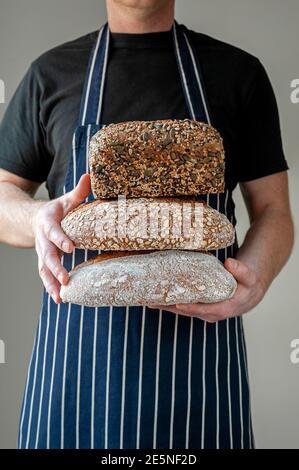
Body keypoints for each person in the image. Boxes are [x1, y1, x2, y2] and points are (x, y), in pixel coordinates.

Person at [0, 0, 294, 449]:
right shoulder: (51, 75)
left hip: (199, 378)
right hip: (77, 377)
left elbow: (274, 213)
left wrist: (253, 281)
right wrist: (38, 217)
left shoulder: (238, 74)